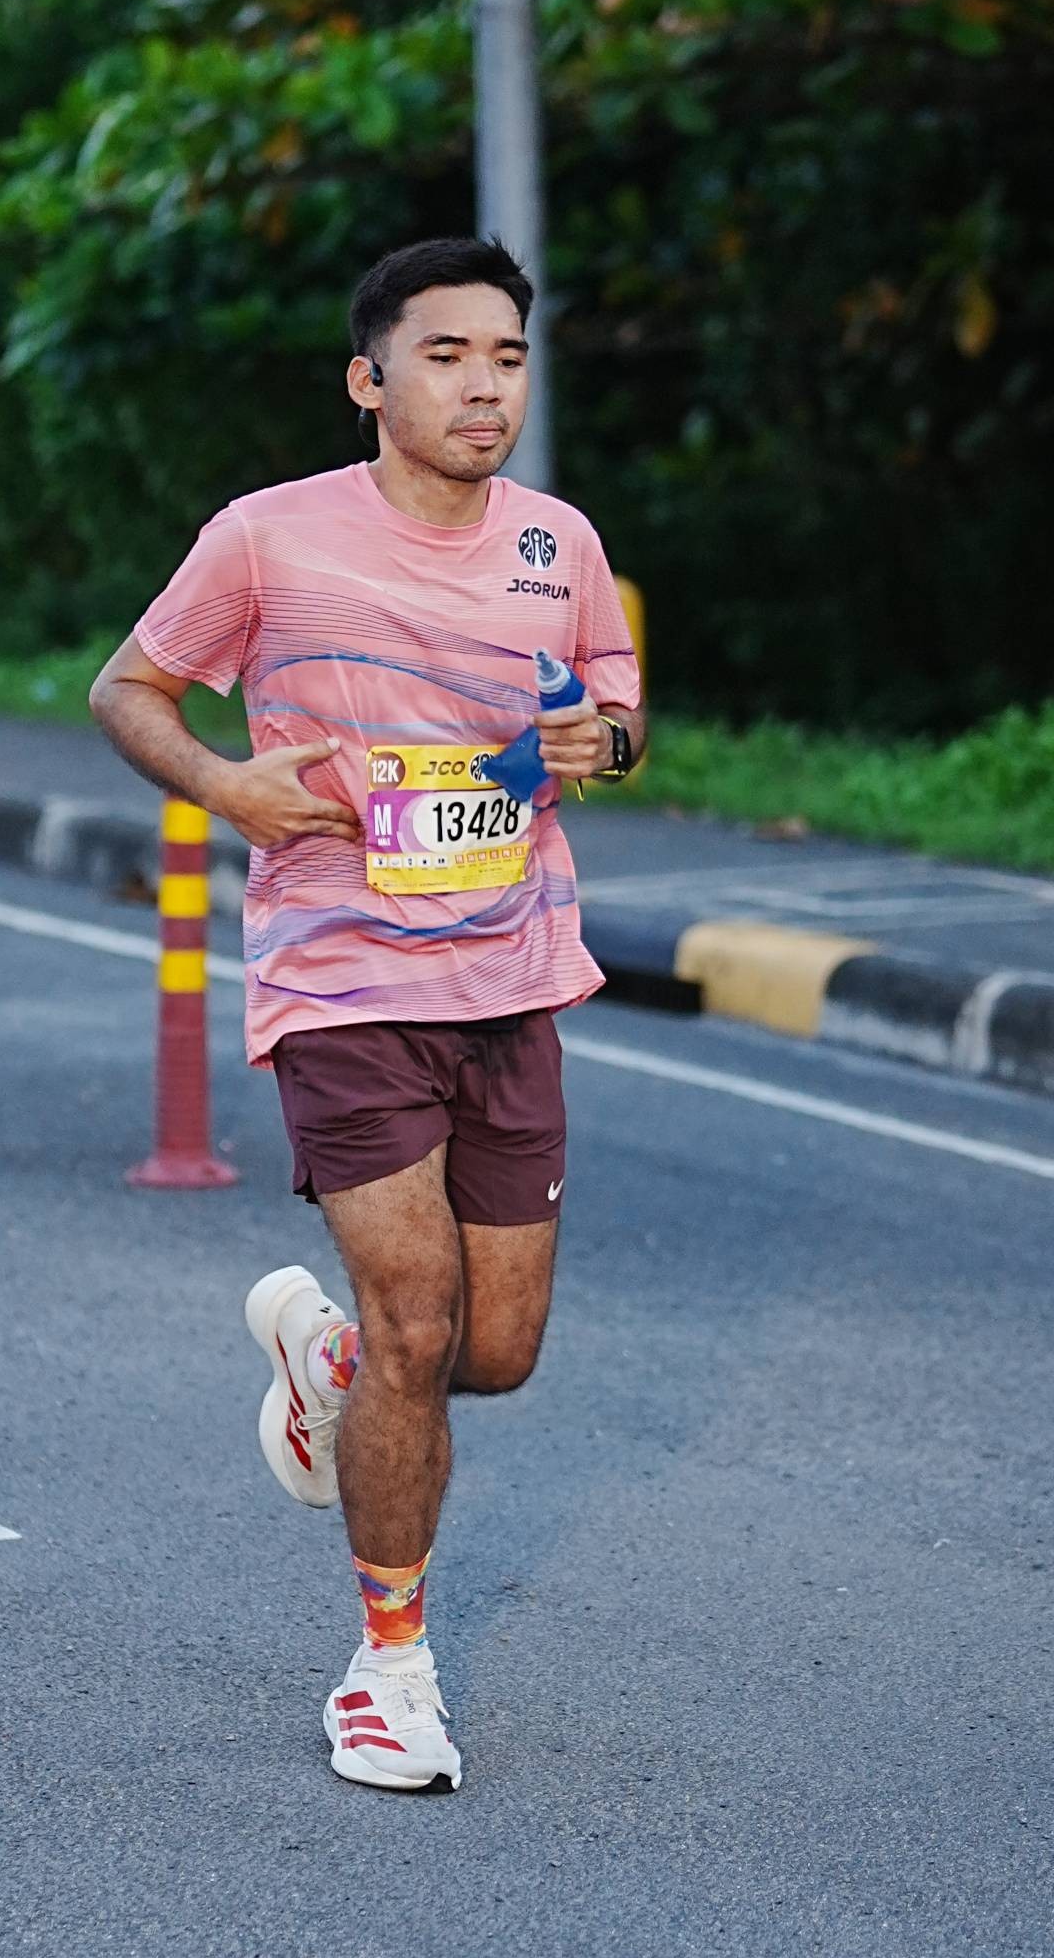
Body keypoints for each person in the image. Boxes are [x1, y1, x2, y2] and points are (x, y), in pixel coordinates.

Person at [89, 236, 645, 1790]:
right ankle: (388, 1669)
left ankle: (328, 1367)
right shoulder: (267, 539)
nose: (485, 387)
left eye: (508, 358)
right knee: (419, 1321)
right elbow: (127, 689)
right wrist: (225, 786)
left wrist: (602, 745)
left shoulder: (558, 544)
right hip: (342, 977)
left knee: (493, 1352)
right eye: (448, 354)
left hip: (513, 976)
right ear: (369, 378)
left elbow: (616, 713)